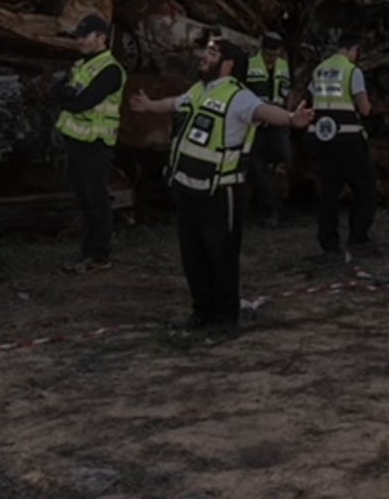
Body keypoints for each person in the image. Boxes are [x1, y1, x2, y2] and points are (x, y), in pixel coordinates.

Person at [130, 37, 313, 330]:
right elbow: (175, 103)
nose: (204, 56)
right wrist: (150, 106)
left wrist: (292, 118)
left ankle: (225, 317)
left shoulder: (238, 96)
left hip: (220, 191)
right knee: (193, 256)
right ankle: (200, 311)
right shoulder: (199, 89)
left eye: (212, 53)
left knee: (221, 255)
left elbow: (264, 111)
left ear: (228, 64)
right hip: (188, 188)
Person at [54, 14, 126, 274]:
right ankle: (90, 250)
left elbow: (82, 100)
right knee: (84, 199)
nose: (80, 42)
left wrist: (67, 97)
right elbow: (58, 92)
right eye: (78, 37)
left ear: (101, 38)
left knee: (96, 201)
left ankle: (99, 255)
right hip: (77, 142)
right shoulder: (81, 65)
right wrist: (66, 96)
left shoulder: (110, 70)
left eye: (85, 37)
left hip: (96, 144)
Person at [308, 34, 377, 258]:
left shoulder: (319, 70)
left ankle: (329, 243)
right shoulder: (352, 71)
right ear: (353, 48)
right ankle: (358, 237)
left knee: (329, 193)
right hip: (348, 140)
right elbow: (364, 108)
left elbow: (311, 100)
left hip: (323, 139)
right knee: (365, 188)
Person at [245, 32, 293, 229]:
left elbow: (288, 90)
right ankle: (268, 208)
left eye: (276, 54)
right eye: (269, 53)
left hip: (278, 122)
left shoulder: (283, 65)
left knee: (284, 158)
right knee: (256, 166)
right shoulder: (249, 64)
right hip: (256, 123)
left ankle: (281, 202)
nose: (273, 58)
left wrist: (288, 114)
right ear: (262, 50)